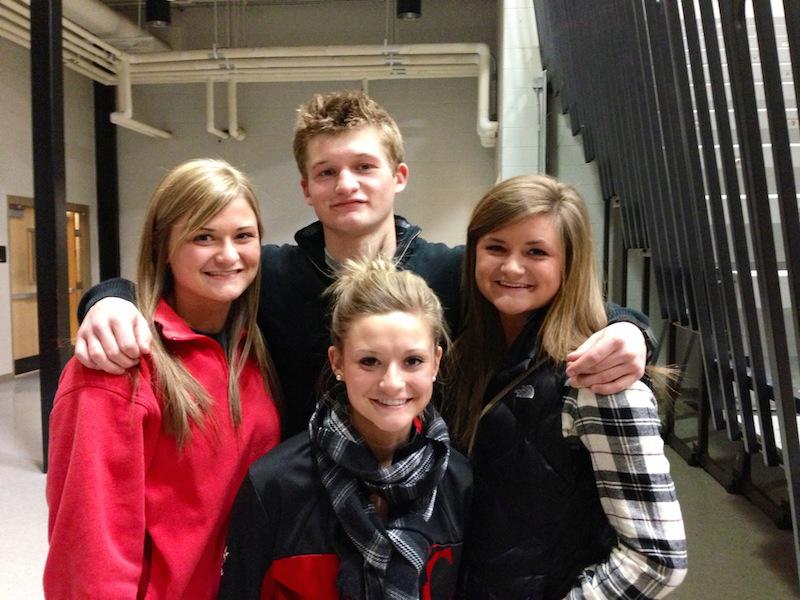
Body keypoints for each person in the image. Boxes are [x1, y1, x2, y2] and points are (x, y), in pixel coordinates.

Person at [73, 90, 651, 438]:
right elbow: (176, 289)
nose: (345, 184)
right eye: (326, 171)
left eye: (364, 167)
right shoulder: (270, 276)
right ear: (305, 187)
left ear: (398, 176)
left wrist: (630, 328)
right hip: (302, 497)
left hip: (428, 498)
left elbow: (549, 298)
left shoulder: (449, 271)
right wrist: (109, 298)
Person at [44, 159, 282, 599]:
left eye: (243, 236)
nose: (228, 255)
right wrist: (107, 298)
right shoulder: (118, 364)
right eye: (203, 236)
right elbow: (90, 547)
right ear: (163, 246)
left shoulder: (251, 348)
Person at [446, 175, 687, 599]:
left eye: (536, 252)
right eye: (496, 248)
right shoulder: (464, 355)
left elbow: (657, 560)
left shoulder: (602, 379)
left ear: (569, 264)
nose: (512, 267)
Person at [217, 257, 471, 599]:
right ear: (338, 362)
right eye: (369, 361)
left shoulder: (459, 480)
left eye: (413, 361)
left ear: (436, 363)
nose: (392, 383)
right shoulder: (275, 484)